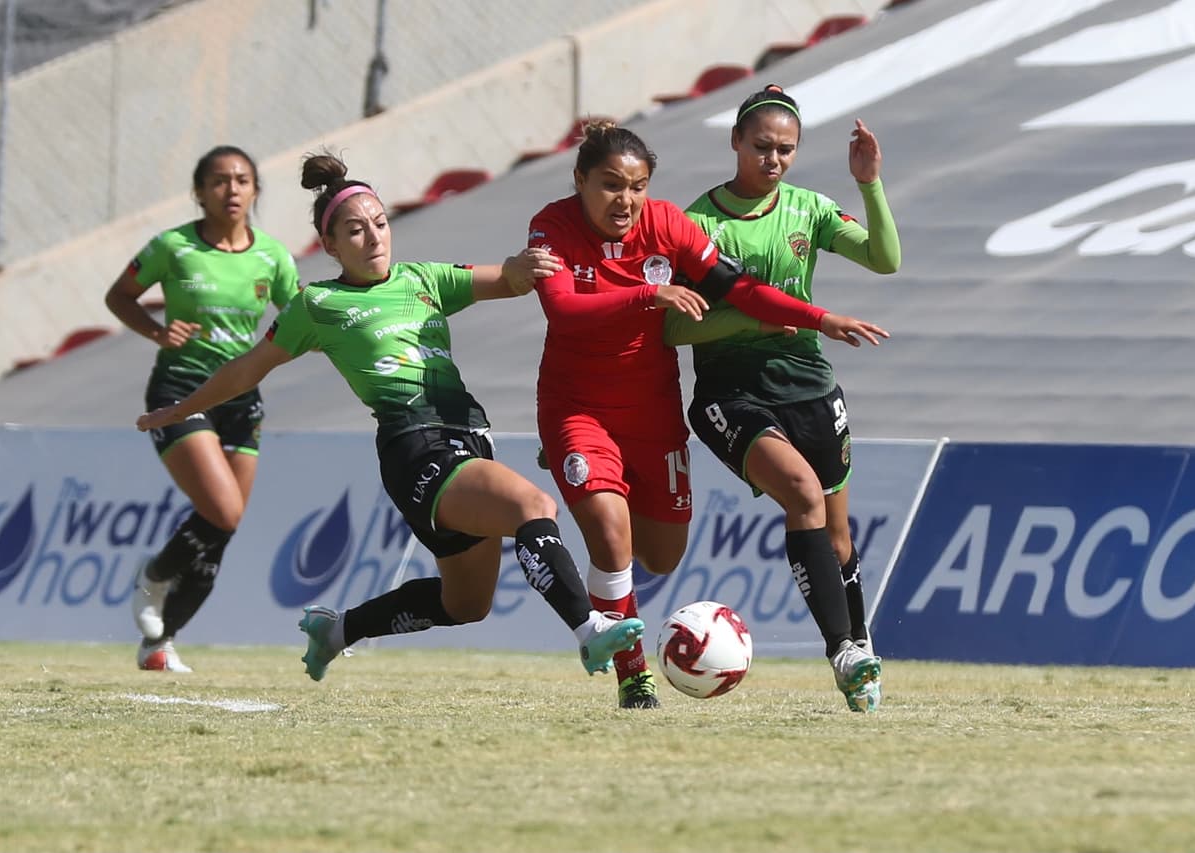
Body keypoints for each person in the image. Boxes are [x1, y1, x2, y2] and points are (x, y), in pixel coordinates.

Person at [136, 151, 644, 684]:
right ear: (330, 246)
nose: (374, 237)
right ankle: (589, 632)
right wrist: (180, 408)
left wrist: (535, 261)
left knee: (466, 604)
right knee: (533, 505)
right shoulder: (318, 304)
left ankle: (336, 631)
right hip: (417, 445)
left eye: (379, 224)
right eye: (355, 231)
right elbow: (245, 371)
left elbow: (511, 279)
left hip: (468, 439)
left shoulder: (423, 278)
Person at [527, 120, 887, 708]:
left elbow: (738, 289)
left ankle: (593, 479)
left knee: (662, 555)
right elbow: (565, 311)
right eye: (610, 185)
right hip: (578, 406)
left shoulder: (668, 222)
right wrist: (652, 294)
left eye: (637, 186)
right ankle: (633, 677)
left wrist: (821, 319)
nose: (626, 200)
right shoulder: (551, 225)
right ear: (579, 181)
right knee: (611, 535)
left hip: (652, 410)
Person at [682, 85, 902, 712]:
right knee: (802, 492)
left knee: (837, 541)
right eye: (761, 147)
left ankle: (859, 652)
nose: (773, 160)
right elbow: (672, 327)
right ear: (735, 143)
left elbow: (885, 259)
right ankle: (842, 649)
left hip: (808, 386)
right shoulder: (699, 222)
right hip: (731, 392)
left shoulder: (808, 208)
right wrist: (753, 321)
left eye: (786, 150)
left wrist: (870, 184)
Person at [106, 145, 300, 673]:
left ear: (256, 190)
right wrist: (156, 331)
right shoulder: (173, 247)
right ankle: (152, 577)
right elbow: (119, 296)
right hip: (181, 388)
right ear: (199, 191)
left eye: (242, 180)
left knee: (221, 532)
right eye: (218, 181)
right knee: (225, 511)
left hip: (242, 397)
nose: (231, 189)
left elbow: (302, 317)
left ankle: (160, 643)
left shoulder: (274, 257)